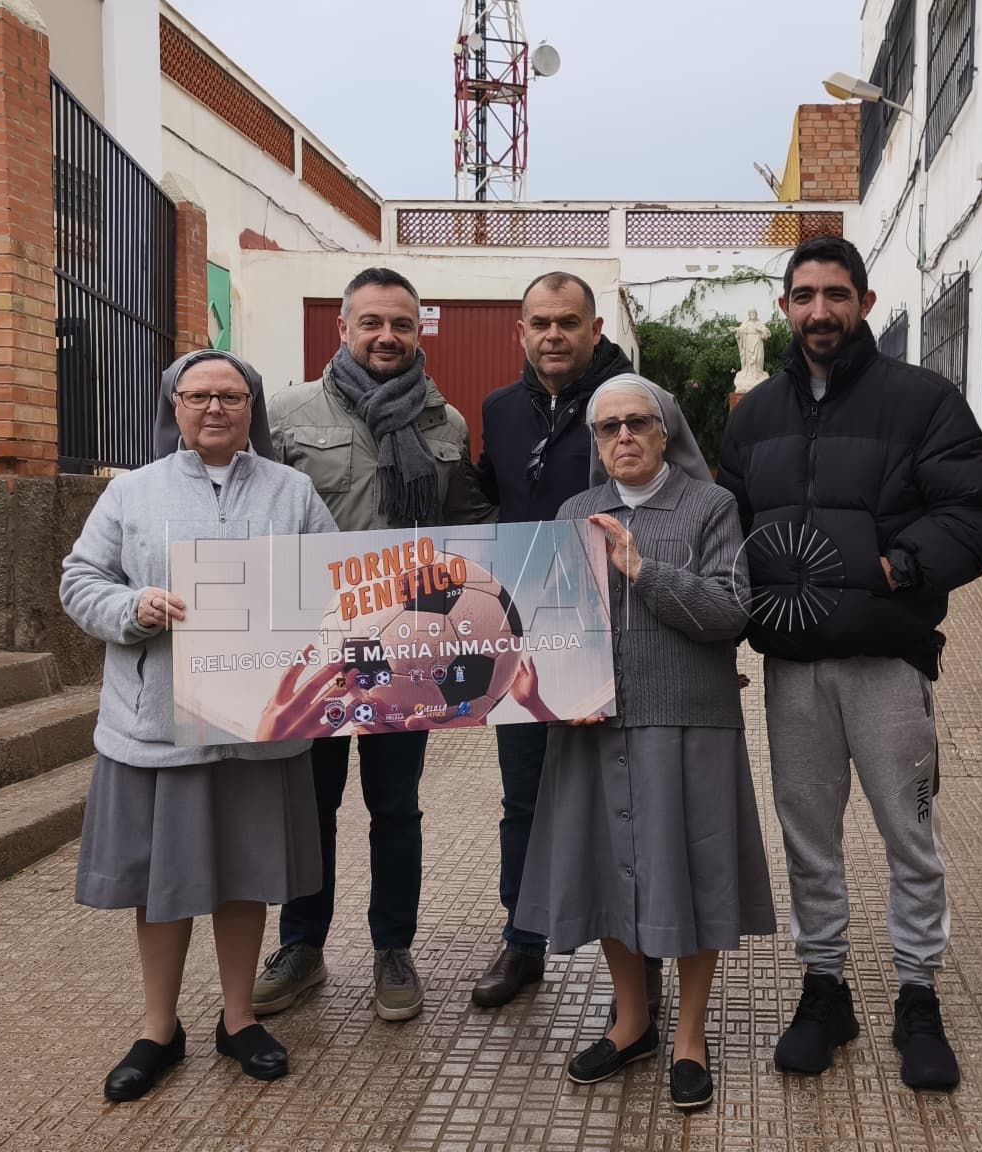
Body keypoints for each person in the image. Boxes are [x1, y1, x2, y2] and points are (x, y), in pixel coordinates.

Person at [717, 236, 982, 1092]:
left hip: (887, 662)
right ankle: (825, 989)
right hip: (792, 668)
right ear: (783, 308)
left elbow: (977, 508)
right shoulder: (751, 417)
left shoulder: (921, 400)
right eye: (803, 295)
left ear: (865, 302)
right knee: (807, 840)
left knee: (907, 835)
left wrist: (904, 565)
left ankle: (916, 993)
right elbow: (725, 534)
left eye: (835, 295)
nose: (819, 311)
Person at [61, 349, 337, 1103]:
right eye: (198, 396)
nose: (214, 408)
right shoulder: (132, 494)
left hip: (258, 722)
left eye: (231, 396)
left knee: (246, 877)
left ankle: (239, 1018)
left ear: (253, 407)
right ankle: (158, 1029)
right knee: (164, 883)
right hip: (157, 723)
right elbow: (80, 580)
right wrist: (134, 608)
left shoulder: (295, 492)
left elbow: (336, 590)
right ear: (173, 406)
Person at [513, 375, 775, 1110]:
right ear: (595, 442)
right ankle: (631, 1022)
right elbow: (549, 623)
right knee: (608, 873)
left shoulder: (708, 506)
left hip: (688, 720)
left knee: (691, 875)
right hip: (593, 729)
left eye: (637, 423)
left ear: (665, 433)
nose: (622, 437)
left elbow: (731, 610)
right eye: (607, 428)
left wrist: (642, 568)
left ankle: (688, 1035)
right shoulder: (573, 513)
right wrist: (562, 690)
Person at [254, 267, 494, 1023]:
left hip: (407, 654)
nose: (386, 336)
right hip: (314, 652)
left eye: (400, 323)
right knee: (310, 805)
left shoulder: (444, 423)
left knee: (395, 808)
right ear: (344, 329)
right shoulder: (287, 413)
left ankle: (394, 948)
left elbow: (465, 534)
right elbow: (259, 527)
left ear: (417, 328)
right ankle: (302, 945)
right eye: (371, 323)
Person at [470, 271, 712, 1013]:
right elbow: (488, 501)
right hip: (534, 643)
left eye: (567, 322)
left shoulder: (627, 402)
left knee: (630, 803)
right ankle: (522, 940)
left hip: (630, 640)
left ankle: (639, 971)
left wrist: (702, 645)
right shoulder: (500, 411)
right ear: (520, 329)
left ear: (594, 326)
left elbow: (693, 494)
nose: (553, 334)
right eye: (539, 321)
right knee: (522, 800)